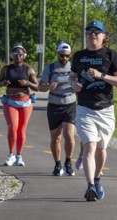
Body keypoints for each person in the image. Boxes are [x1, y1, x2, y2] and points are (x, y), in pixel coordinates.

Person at [70, 20, 117, 201]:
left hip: (106, 110)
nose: (92, 34)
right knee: (89, 146)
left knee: (101, 149)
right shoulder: (78, 56)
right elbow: (72, 77)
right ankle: (90, 187)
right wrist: (74, 85)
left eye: (96, 32)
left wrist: (101, 75)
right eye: (89, 32)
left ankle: (97, 177)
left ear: (104, 36)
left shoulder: (111, 55)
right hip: (85, 108)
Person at [0, 45, 38, 166]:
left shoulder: (29, 70)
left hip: (25, 102)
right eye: (15, 53)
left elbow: (37, 86)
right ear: (11, 55)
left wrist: (28, 83)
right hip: (10, 102)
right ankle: (11, 155)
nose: (17, 56)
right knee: (12, 128)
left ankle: (19, 156)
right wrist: (3, 83)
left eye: (20, 54)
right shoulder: (6, 69)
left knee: (21, 130)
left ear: (24, 55)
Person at [38, 43, 76, 176]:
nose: (64, 59)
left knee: (69, 135)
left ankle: (68, 162)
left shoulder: (74, 67)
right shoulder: (50, 68)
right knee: (56, 137)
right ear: (57, 54)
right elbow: (40, 87)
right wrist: (48, 86)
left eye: (67, 56)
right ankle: (57, 164)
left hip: (70, 104)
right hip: (54, 104)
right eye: (62, 56)